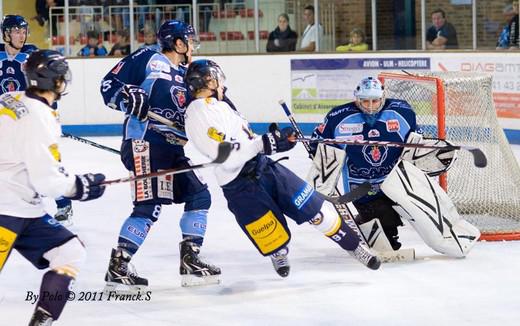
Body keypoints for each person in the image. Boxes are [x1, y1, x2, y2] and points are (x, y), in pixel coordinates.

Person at [184, 60, 381, 278]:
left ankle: (354, 247)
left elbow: (244, 140)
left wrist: (276, 141)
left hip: (263, 167)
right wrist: (265, 143)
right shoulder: (199, 111)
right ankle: (278, 252)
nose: (222, 84)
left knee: (316, 210)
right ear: (209, 80)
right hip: (238, 185)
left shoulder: (219, 105)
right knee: (269, 233)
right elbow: (226, 154)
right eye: (218, 79)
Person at [100, 20, 221, 290]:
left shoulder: (191, 73)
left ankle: (191, 258)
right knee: (149, 205)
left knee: (199, 195)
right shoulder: (148, 58)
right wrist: (126, 96)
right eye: (190, 40)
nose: (193, 46)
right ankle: (119, 265)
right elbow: (108, 85)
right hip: (144, 142)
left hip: (172, 149)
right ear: (178, 43)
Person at [311, 77, 480, 258]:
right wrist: (315, 147)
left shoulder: (401, 112)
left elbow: (415, 146)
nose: (370, 105)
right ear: (356, 99)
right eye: (365, 101)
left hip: (398, 181)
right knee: (386, 244)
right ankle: (365, 224)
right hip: (362, 187)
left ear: (382, 97)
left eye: (374, 100)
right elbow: (320, 144)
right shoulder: (339, 117)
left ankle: (456, 238)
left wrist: (431, 155)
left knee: (428, 214)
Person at [0, 49, 106, 325]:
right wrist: (79, 187)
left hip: (24, 210)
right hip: (6, 209)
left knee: (70, 251)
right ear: (56, 81)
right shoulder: (39, 117)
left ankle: (43, 320)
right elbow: (46, 179)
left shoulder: (10, 98)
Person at [0, 15, 75, 225]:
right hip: (6, 121)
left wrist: (48, 116)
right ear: (6, 34)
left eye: (23, 31)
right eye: (16, 31)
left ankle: (63, 203)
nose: (21, 35)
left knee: (41, 162)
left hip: (30, 119)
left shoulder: (32, 55)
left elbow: (48, 87)